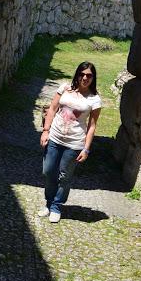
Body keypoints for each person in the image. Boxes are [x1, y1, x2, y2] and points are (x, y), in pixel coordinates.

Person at [38, 61, 102, 223]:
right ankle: (49, 202)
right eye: (82, 74)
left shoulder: (94, 99)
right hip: (54, 137)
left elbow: (92, 126)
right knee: (48, 171)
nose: (85, 78)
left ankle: (56, 206)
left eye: (89, 75)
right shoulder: (65, 88)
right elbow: (52, 109)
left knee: (64, 176)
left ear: (93, 78)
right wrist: (46, 131)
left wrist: (86, 149)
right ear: (77, 74)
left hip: (74, 143)